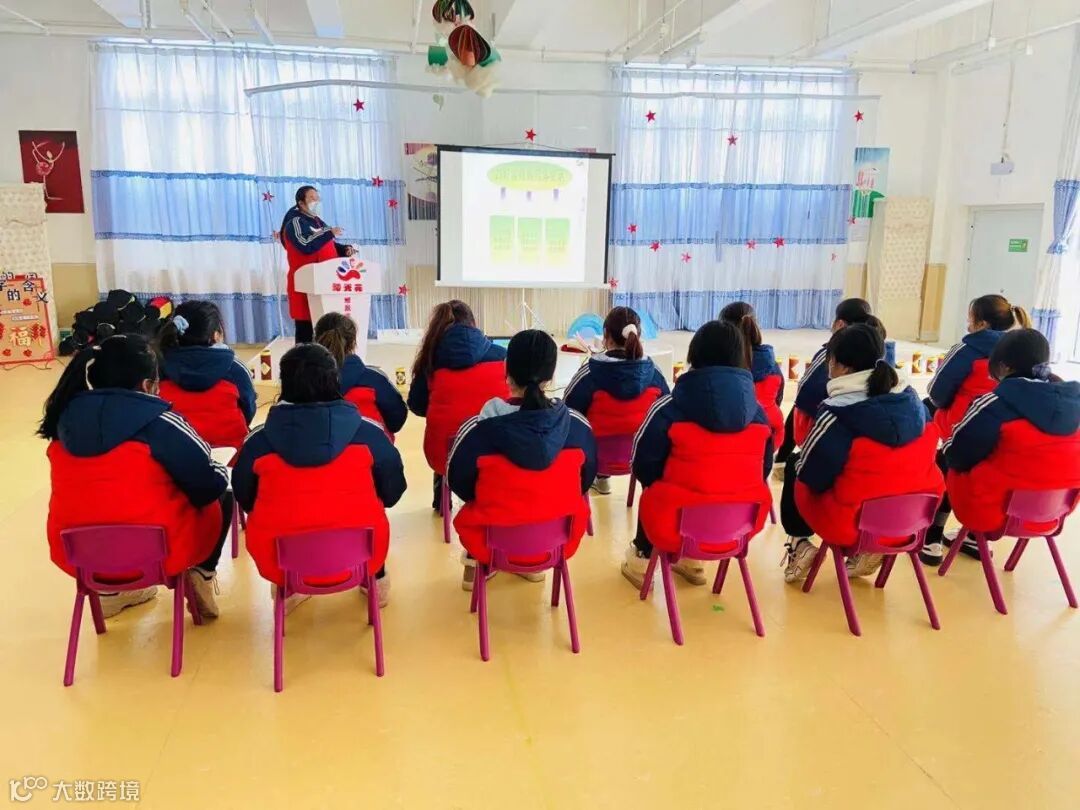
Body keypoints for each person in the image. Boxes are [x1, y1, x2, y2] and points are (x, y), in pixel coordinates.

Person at [39, 335, 231, 618]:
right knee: (222, 495)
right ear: (148, 385)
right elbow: (207, 485)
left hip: (78, 556)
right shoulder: (161, 422)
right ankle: (201, 576)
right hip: (159, 552)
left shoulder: (63, 423)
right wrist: (220, 469)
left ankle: (109, 594)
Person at [232, 344, 406, 610]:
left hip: (278, 560)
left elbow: (245, 497)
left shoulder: (258, 443)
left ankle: (289, 589)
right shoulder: (370, 435)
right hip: (364, 554)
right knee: (370, 516)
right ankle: (375, 583)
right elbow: (393, 491)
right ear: (335, 381)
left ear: (284, 384)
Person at [781, 324, 944, 582]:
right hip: (912, 520)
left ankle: (799, 543)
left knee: (796, 465)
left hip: (851, 525)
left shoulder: (836, 412)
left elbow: (812, 475)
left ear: (843, 367)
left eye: (830, 361)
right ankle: (868, 551)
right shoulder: (914, 403)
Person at [623, 321, 774, 588]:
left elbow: (641, 465)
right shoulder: (759, 415)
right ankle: (691, 561)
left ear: (694, 356)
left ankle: (642, 559)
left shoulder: (668, 408)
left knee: (655, 488)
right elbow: (764, 468)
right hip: (739, 527)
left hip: (673, 525)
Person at [447, 330, 597, 591]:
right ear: (551, 376)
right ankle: (534, 564)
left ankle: (475, 564)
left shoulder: (478, 430)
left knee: (475, 497)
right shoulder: (576, 427)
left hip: (490, 543)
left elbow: (457, 480)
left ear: (506, 369)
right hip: (556, 542)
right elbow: (587, 478)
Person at [920, 329, 1080, 565]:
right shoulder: (1074, 403)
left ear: (1003, 366)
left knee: (946, 457)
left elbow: (957, 455)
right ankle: (973, 539)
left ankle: (933, 535)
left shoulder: (996, 403)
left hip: (993, 510)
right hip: (1054, 510)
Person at [407, 300, 508, 512]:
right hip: (495, 448)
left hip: (443, 453)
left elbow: (416, 405)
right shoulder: (501, 355)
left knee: (446, 432)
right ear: (473, 323)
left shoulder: (430, 360)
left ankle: (440, 500)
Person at [563, 306, 669, 495]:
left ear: (605, 335)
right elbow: (666, 412)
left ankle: (600, 479)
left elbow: (567, 412)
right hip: (640, 457)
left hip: (594, 459)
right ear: (638, 335)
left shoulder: (590, 373)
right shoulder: (654, 374)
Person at [157, 300, 257, 454]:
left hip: (176, 456)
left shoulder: (159, 368)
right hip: (232, 455)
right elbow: (249, 409)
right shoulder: (234, 368)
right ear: (216, 335)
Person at [926, 294, 1031, 441]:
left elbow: (937, 394)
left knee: (923, 408)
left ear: (982, 324)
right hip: (1003, 429)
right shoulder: (1020, 353)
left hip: (960, 427)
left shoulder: (965, 350)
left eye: (970, 318)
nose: (967, 322)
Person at [279, 185, 355, 344]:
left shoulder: (318, 221)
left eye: (318, 198)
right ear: (301, 203)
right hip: (305, 283)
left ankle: (326, 355)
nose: (317, 201)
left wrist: (344, 250)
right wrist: (329, 233)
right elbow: (305, 244)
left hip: (325, 282)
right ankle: (303, 357)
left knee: (326, 326)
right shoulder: (295, 222)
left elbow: (328, 244)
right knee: (305, 328)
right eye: (312, 198)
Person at [315, 312, 407, 438]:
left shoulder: (300, 383)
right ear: (353, 342)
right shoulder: (375, 379)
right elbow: (397, 420)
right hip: (371, 447)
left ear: (316, 340)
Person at [720, 301, 784, 447]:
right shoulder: (771, 365)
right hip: (770, 435)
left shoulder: (718, 366)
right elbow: (778, 399)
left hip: (733, 439)